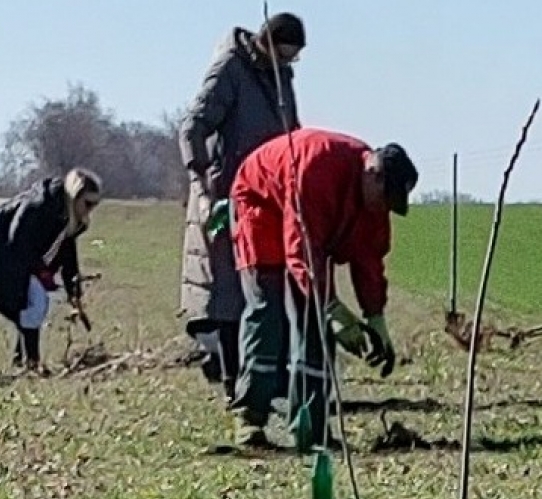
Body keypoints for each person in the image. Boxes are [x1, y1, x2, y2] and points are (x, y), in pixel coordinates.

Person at [226, 128, 418, 450]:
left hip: (309, 232)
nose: (384, 209)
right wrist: (332, 308)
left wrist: (376, 319)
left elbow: (369, 259)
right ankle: (250, 417)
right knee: (267, 312)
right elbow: (300, 249)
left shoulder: (375, 204)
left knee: (315, 326)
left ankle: (310, 426)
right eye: (386, 199)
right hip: (260, 205)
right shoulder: (318, 169)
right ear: (374, 174)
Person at [178, 12, 305, 403]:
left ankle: (270, 376)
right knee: (230, 292)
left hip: (272, 195)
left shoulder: (281, 77)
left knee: (269, 288)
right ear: (264, 43)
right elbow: (193, 125)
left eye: (292, 59)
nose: (285, 64)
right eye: (282, 55)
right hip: (229, 195)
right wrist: (201, 183)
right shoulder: (230, 69)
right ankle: (234, 379)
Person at [0, 168, 102, 374]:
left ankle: (24, 361)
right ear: (75, 196)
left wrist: (75, 295)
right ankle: (31, 363)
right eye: (88, 203)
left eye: (95, 204)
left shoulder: (70, 219)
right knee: (34, 304)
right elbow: (17, 238)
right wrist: (41, 272)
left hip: (16, 257)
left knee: (29, 309)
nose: (90, 209)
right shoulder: (41, 205)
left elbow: (68, 256)